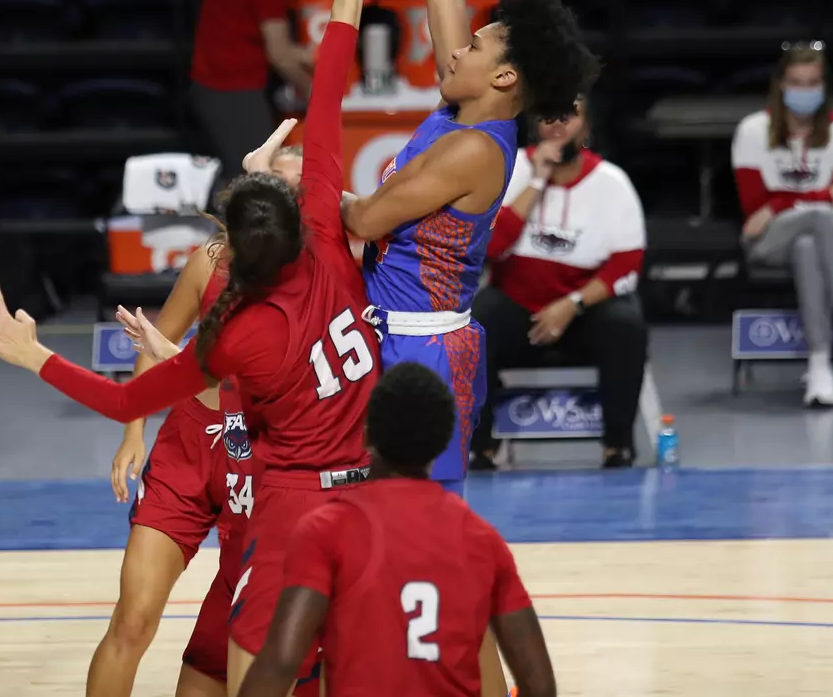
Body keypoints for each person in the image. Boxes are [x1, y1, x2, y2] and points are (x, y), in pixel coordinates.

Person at [0, 0, 419, 695]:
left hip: (290, 500)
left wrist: (34, 354)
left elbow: (122, 396)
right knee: (349, 659)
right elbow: (328, 94)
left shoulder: (238, 338)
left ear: (230, 250)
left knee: (250, 667)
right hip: (364, 492)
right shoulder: (328, 241)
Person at [342, 0, 601, 491]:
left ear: (505, 76)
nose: (455, 51)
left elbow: (363, 220)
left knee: (420, 525)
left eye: (476, 46)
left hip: (420, 347)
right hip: (390, 330)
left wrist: (301, 183)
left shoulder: (474, 151)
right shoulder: (462, 109)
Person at [95, 140, 304, 697]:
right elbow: (155, 340)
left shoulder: (317, 276)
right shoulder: (209, 260)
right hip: (190, 448)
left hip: (261, 464)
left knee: (257, 639)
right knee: (133, 620)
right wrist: (133, 431)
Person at [240, 362, 557, 697]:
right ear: (442, 443)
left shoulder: (327, 530)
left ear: (365, 434)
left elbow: (281, 661)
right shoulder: (483, 539)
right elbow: (540, 684)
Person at [470, 97, 649, 469]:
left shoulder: (612, 183)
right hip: (518, 304)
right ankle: (482, 447)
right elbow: (490, 247)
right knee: (476, 323)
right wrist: (536, 180)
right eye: (549, 114)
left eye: (570, 115)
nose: (558, 124)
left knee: (626, 326)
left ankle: (617, 445)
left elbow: (626, 265)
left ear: (586, 127)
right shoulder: (511, 169)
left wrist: (573, 304)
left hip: (583, 310)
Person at [733, 41, 833, 407]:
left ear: (824, 87)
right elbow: (755, 210)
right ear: (780, 85)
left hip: (828, 238)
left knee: (811, 243)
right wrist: (820, 196)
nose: (804, 91)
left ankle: (820, 365)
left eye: (812, 83)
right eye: (796, 82)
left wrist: (782, 203)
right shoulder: (752, 130)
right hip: (769, 242)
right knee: (821, 219)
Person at [189, 0, 319, 180]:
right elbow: (280, 54)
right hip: (230, 87)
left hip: (216, 81)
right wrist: (316, 93)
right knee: (257, 176)